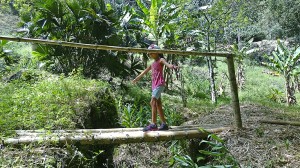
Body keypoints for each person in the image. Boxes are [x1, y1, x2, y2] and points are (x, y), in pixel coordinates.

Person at [132, 44, 179, 131]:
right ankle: (164, 124)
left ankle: (153, 124)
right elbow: (144, 72)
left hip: (159, 84)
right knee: (158, 104)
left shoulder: (161, 60)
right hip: (154, 86)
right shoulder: (152, 64)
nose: (150, 54)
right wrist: (136, 79)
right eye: (149, 53)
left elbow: (168, 65)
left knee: (152, 102)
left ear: (157, 52)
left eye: (152, 52)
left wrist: (173, 67)